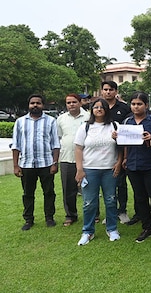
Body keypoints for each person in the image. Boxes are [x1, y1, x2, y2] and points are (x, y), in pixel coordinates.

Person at [116, 91, 151, 247]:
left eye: (139, 104)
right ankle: (147, 227)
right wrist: (124, 157)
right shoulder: (127, 122)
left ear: (146, 105)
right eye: (133, 104)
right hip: (133, 165)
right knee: (140, 198)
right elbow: (125, 143)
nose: (136, 107)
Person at [74, 98, 123, 245]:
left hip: (110, 169)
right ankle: (88, 231)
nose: (99, 109)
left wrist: (119, 162)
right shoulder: (85, 127)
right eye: (96, 107)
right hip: (90, 170)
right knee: (89, 202)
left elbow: (121, 146)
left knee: (111, 200)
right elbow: (78, 148)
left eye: (102, 107)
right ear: (92, 110)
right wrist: (79, 169)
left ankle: (112, 228)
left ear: (107, 109)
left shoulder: (115, 126)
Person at [12, 94, 61, 230]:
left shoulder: (51, 121)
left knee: (49, 192)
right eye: (32, 103)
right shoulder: (20, 122)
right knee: (28, 193)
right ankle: (28, 220)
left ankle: (49, 218)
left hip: (46, 164)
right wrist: (16, 166)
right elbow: (16, 145)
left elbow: (55, 144)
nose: (35, 105)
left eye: (38, 103)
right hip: (26, 164)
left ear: (43, 105)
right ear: (28, 105)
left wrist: (55, 163)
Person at [57, 93, 90, 227]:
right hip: (67, 158)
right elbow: (60, 136)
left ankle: (95, 214)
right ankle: (71, 215)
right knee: (68, 189)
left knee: (90, 188)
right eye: (68, 103)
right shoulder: (61, 119)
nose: (71, 105)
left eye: (74, 102)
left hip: (87, 159)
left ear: (80, 103)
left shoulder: (88, 117)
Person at [101, 80, 132, 224]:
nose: (108, 92)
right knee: (107, 185)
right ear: (102, 91)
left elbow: (129, 129)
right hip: (103, 152)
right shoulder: (98, 107)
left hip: (121, 150)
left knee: (121, 183)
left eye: (111, 89)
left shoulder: (124, 108)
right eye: (106, 89)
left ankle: (122, 211)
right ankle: (110, 212)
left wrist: (124, 156)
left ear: (116, 91)